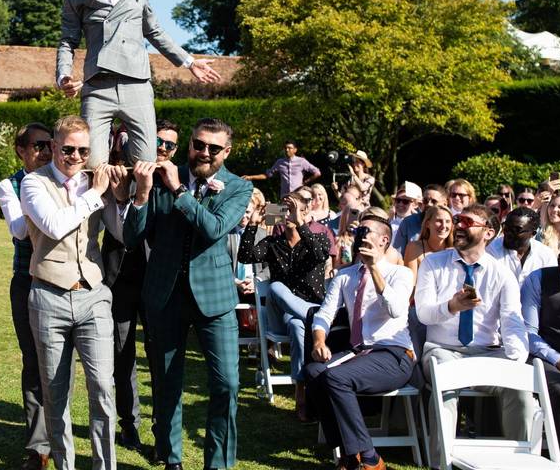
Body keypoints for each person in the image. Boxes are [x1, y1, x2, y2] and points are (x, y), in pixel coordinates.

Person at [124, 117, 252, 470]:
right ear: (190, 144)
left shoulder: (238, 187)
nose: (204, 153)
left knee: (227, 383)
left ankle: (219, 464)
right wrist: (143, 193)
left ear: (226, 151)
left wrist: (179, 191)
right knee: (166, 383)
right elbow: (133, 238)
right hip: (164, 295)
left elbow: (213, 229)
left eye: (213, 148)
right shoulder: (161, 177)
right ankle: (171, 458)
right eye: (198, 144)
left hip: (215, 299)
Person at [55, 0, 221, 166]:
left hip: (137, 84)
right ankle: (104, 199)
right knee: (92, 166)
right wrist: (63, 75)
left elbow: (154, 31)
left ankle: (124, 162)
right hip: (98, 86)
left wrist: (189, 62)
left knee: (146, 165)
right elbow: (68, 40)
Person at [19, 115, 127, 470]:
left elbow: (119, 232)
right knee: (55, 392)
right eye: (68, 149)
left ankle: (105, 465)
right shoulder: (33, 183)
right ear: (53, 146)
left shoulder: (95, 180)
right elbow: (53, 226)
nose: (76, 156)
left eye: (83, 150)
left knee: (102, 388)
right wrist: (95, 193)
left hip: (92, 294)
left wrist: (126, 195)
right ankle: (65, 465)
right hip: (48, 295)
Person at [414, 204, 532, 465]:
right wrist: (452, 306)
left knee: (521, 390)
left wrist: (516, 359)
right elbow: (422, 313)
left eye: (467, 222)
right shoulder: (433, 263)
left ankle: (520, 461)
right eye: (458, 220)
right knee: (446, 383)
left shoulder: (502, 273)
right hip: (443, 349)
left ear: (488, 232)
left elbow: (513, 321)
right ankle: (440, 463)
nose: (458, 226)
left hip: (487, 352)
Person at [306, 216, 415, 470]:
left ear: (384, 240)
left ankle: (369, 458)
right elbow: (324, 314)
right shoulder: (345, 276)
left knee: (336, 378)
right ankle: (348, 453)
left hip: (395, 354)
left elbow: (396, 309)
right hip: (360, 354)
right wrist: (319, 340)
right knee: (313, 372)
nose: (361, 235)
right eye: (359, 231)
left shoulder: (401, 273)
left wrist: (374, 267)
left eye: (367, 231)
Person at [104, 119, 181, 453]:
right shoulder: (118, 175)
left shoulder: (177, 184)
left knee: (159, 356)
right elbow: (119, 232)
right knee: (123, 356)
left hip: (159, 279)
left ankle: (163, 431)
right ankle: (128, 425)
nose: (162, 147)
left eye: (169, 144)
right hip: (119, 276)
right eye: (157, 142)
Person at [238, 192, 331, 421]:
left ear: (306, 213)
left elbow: (320, 255)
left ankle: (301, 393)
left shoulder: (319, 239)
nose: (288, 213)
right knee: (277, 286)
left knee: (299, 326)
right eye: (285, 209)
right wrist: (253, 224)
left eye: (294, 208)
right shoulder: (273, 244)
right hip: (289, 314)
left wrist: (300, 222)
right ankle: (311, 315)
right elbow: (245, 255)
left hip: (304, 314)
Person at [0, 121, 52, 470]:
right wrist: (38, 202)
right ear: (21, 150)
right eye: (37, 145)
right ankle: (37, 447)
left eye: (49, 144)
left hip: (64, 282)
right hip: (27, 279)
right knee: (33, 362)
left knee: (60, 365)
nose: (45, 151)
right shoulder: (10, 184)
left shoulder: (64, 179)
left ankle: (59, 440)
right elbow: (19, 231)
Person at [521, 243, 560, 455]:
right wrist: (557, 359)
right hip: (544, 354)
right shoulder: (538, 279)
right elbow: (528, 333)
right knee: (558, 387)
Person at [487, 206, 556, 285]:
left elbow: (550, 287)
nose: (508, 232)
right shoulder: (491, 250)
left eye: (517, 229)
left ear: (532, 234)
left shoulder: (546, 255)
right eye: (506, 227)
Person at [244, 140, 321, 199]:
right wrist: (250, 177)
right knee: (276, 217)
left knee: (296, 218)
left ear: (295, 150)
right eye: (285, 148)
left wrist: (305, 182)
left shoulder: (301, 161)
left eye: (289, 148)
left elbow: (317, 173)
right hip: (285, 197)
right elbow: (267, 175)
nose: (287, 150)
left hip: (298, 197)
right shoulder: (280, 162)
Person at [403, 206, 453, 283]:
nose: (444, 226)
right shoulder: (414, 248)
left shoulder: (455, 251)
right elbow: (410, 285)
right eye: (439, 221)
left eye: (448, 221)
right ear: (427, 224)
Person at [392, 184, 447, 253]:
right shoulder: (408, 223)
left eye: (434, 201)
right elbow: (398, 254)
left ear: (444, 204)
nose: (429, 204)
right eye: (425, 201)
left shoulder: (449, 225)